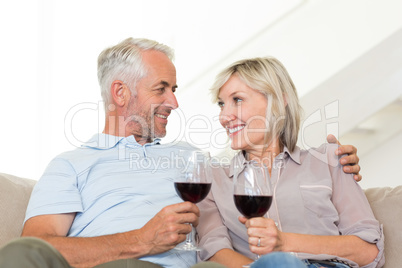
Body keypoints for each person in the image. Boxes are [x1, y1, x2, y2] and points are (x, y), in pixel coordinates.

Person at [0, 39, 361, 268]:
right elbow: (38, 247)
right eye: (162, 89)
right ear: (121, 93)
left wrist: (334, 163)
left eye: (174, 89)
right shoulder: (70, 165)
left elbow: (261, 171)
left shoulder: (194, 159)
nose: (174, 102)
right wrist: (139, 240)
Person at [196, 57, 384, 268]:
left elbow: (368, 251)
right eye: (221, 104)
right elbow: (213, 253)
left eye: (237, 100)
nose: (224, 116)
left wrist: (285, 242)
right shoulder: (213, 180)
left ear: (277, 100)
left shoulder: (329, 160)